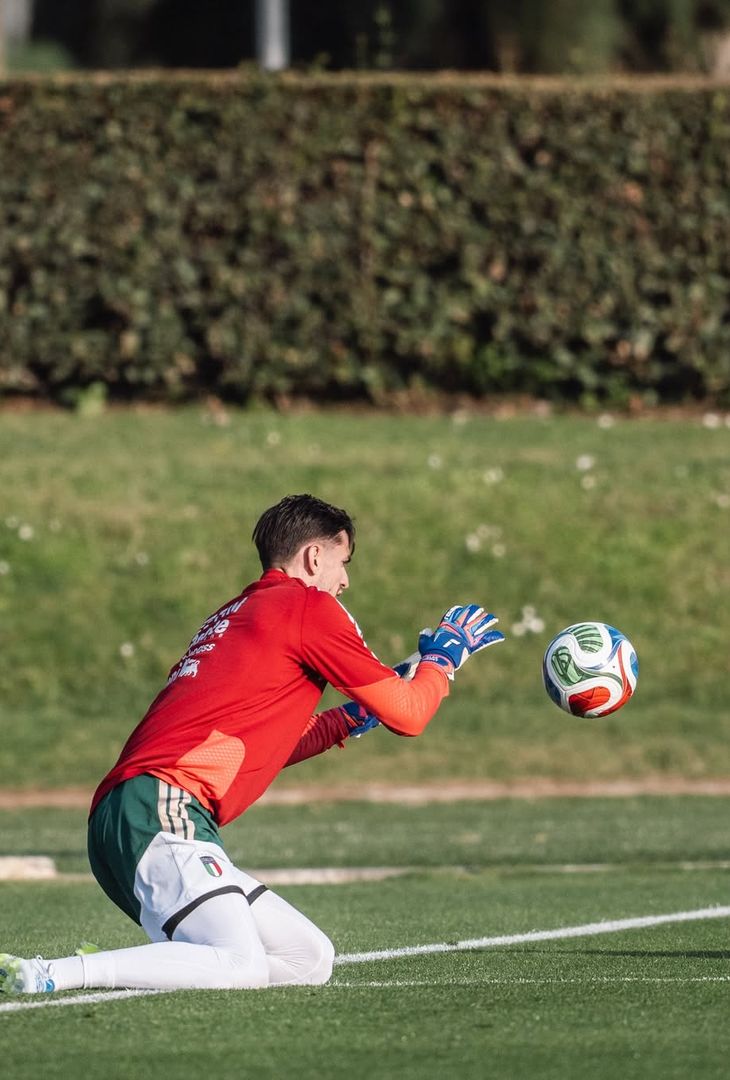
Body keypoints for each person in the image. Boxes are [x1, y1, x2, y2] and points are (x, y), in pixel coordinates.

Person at [0, 493, 504, 995]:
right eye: (342, 561)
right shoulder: (309, 606)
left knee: (308, 958)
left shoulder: (245, 610)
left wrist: (350, 718)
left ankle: (136, 964)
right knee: (240, 965)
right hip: (159, 807)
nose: (345, 579)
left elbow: (257, 742)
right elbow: (410, 715)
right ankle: (54, 973)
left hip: (137, 810)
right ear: (314, 556)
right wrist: (444, 659)